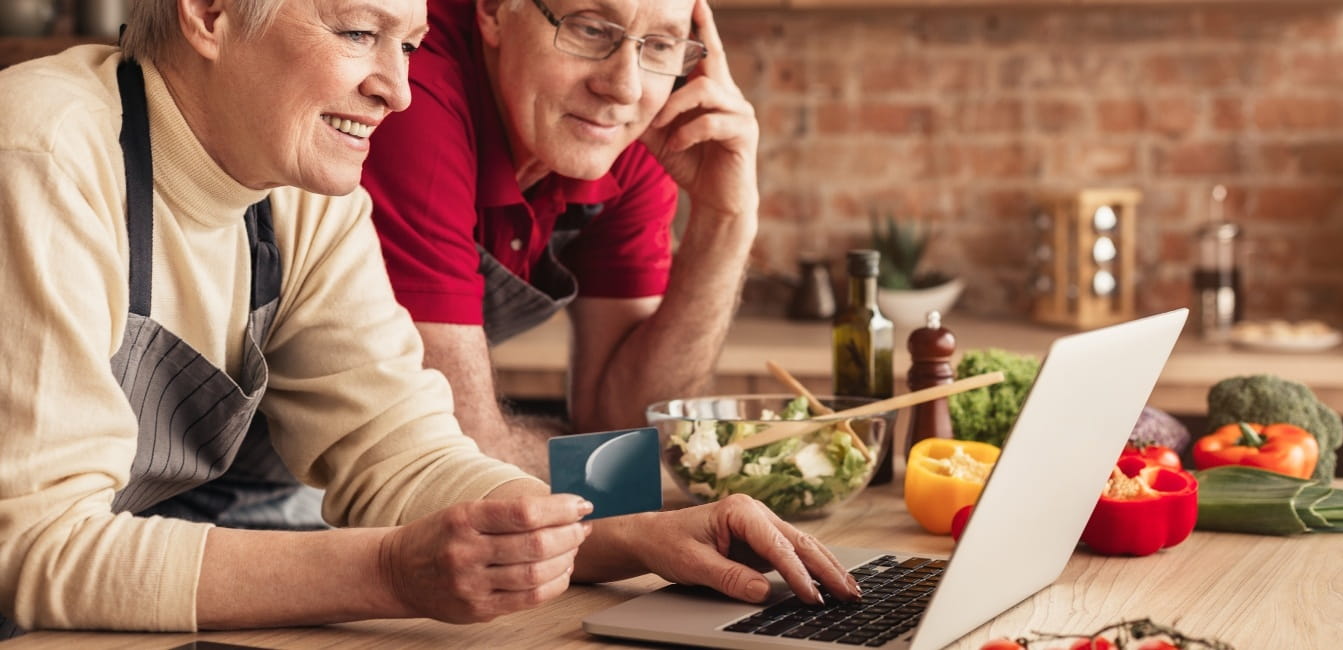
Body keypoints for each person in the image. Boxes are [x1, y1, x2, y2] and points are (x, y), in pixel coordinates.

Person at [0, 0, 856, 636]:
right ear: (211, 11)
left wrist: (638, 537)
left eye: (407, 44)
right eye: (357, 34)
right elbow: (29, 551)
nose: (398, 92)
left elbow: (406, 456)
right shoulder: (45, 153)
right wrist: (385, 570)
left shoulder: (301, 193)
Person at [360, 0, 759, 476]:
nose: (623, 88)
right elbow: (459, 460)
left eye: (659, 46)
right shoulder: (412, 90)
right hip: (287, 484)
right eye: (590, 30)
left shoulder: (628, 131)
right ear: (491, 11)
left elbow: (632, 423)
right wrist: (619, 465)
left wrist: (726, 219)